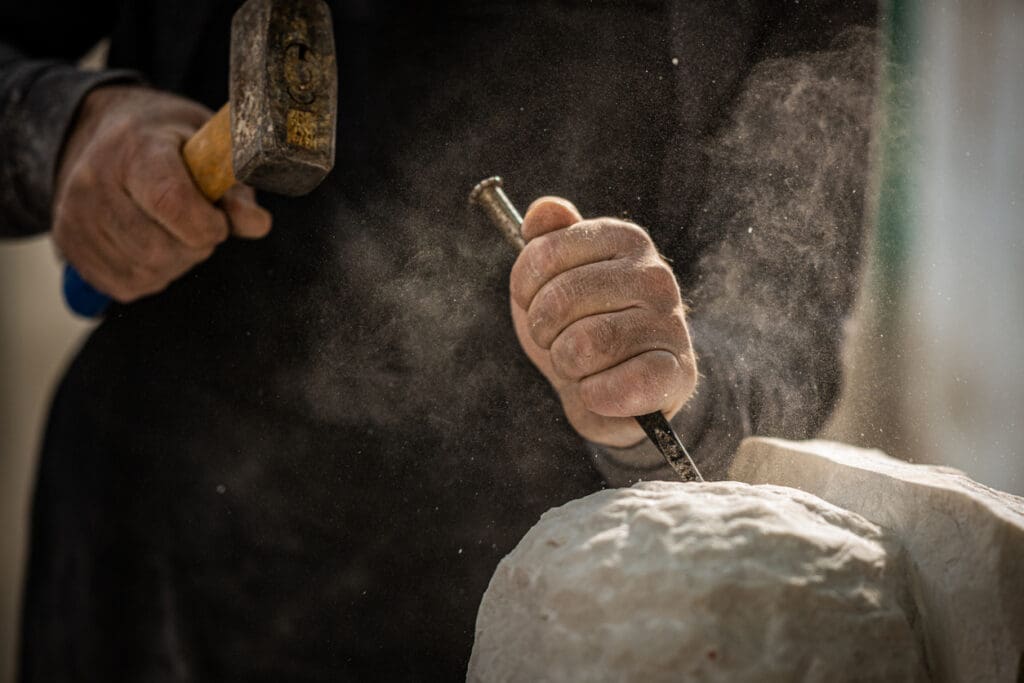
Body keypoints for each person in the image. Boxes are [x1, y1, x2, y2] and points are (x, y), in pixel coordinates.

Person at [0, 1, 879, 679]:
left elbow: (784, 317)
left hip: (558, 607)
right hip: (159, 566)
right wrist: (62, 128)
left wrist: (678, 383)